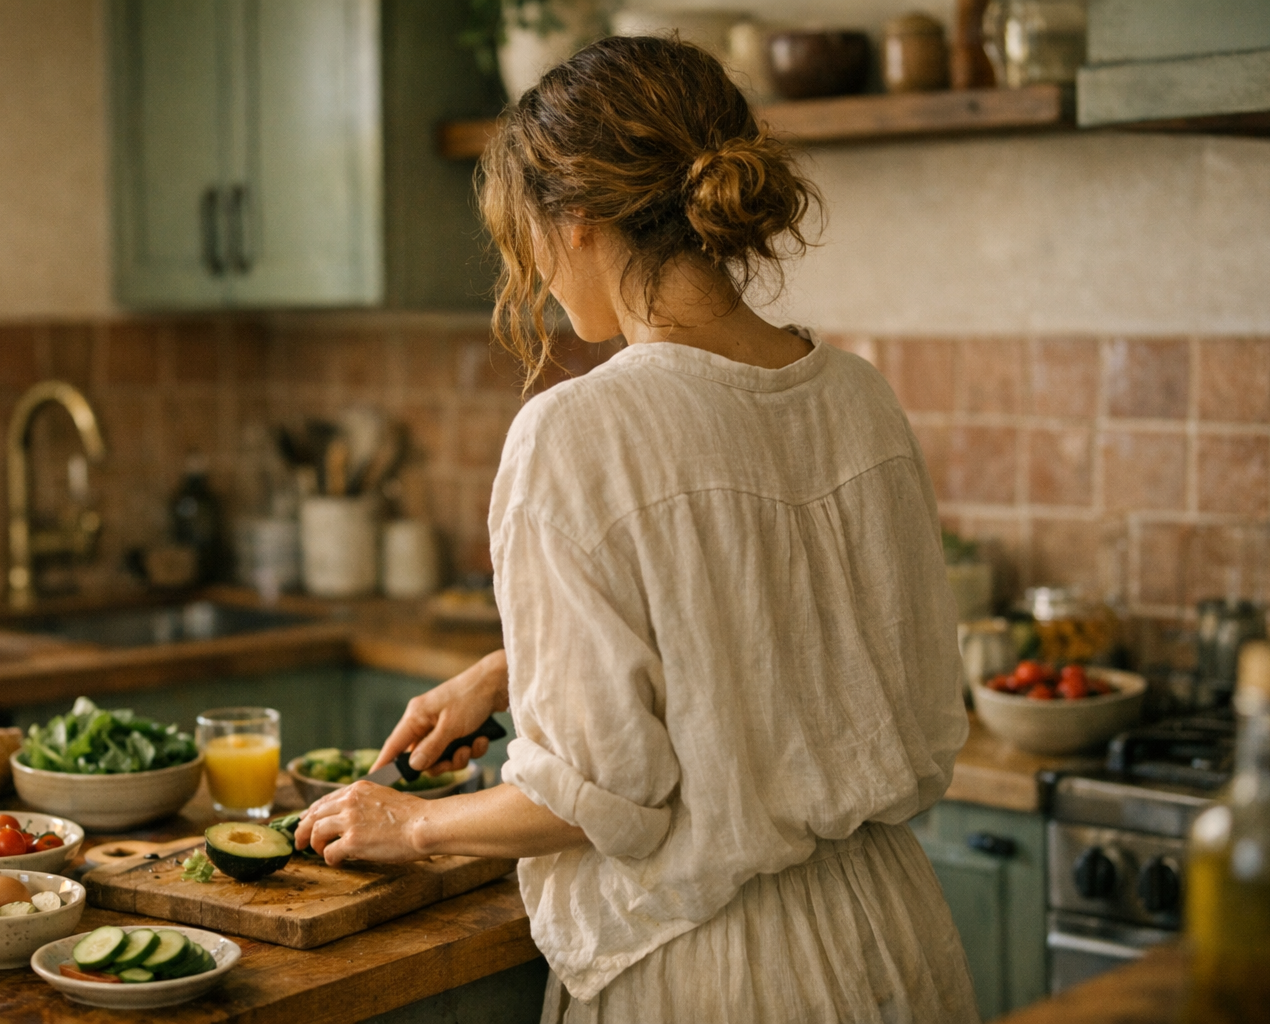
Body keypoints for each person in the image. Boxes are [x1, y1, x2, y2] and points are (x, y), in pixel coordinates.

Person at [293, 34, 978, 1023]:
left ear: (575, 218)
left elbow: (593, 797)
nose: (526, 263)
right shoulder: (857, 397)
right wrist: (512, 671)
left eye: (522, 228)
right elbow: (779, 644)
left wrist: (412, 826)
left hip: (711, 973)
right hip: (893, 938)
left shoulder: (576, 432)